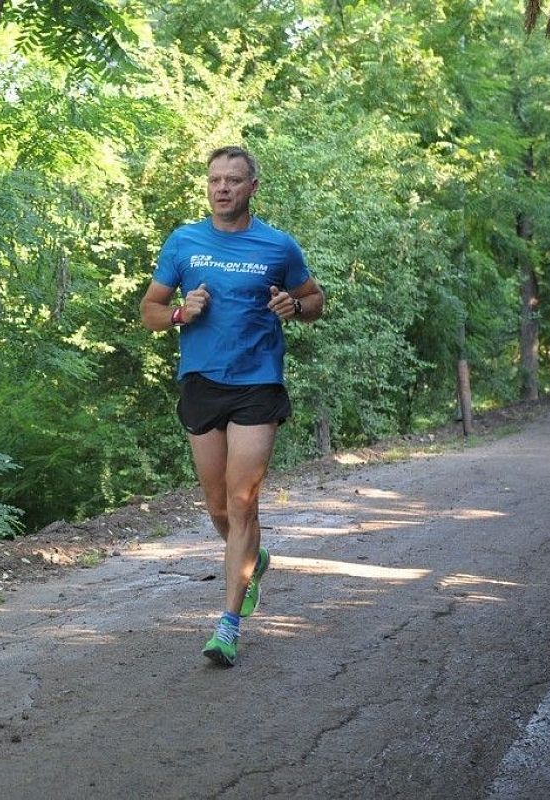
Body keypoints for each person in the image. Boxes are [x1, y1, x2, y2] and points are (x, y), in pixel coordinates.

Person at [139, 145, 324, 667]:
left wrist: (295, 306)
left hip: (257, 384)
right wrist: (179, 313)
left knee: (244, 503)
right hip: (201, 382)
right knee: (218, 507)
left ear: (252, 187)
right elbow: (149, 311)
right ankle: (253, 559)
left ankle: (228, 625)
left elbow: (315, 301)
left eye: (233, 180)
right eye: (215, 179)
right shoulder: (184, 241)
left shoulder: (277, 246)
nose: (222, 188)